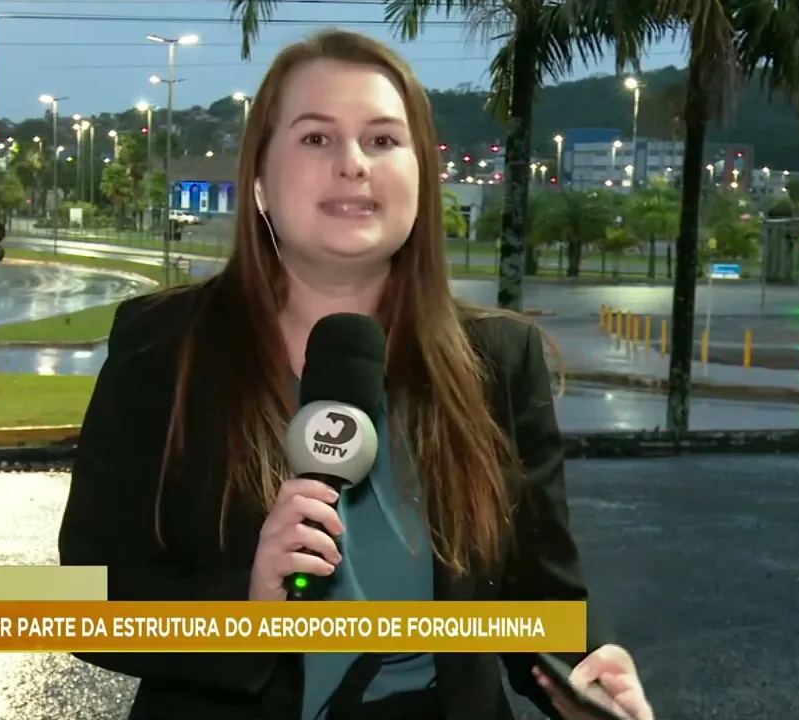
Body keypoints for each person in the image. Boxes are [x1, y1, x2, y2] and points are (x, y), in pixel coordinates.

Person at [59, 28, 653, 720]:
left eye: (382, 140)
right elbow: (90, 601)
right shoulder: (162, 346)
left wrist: (587, 674)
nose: (353, 165)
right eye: (316, 139)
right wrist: (246, 607)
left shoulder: (499, 360)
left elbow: (538, 598)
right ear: (257, 182)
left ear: (420, 179)